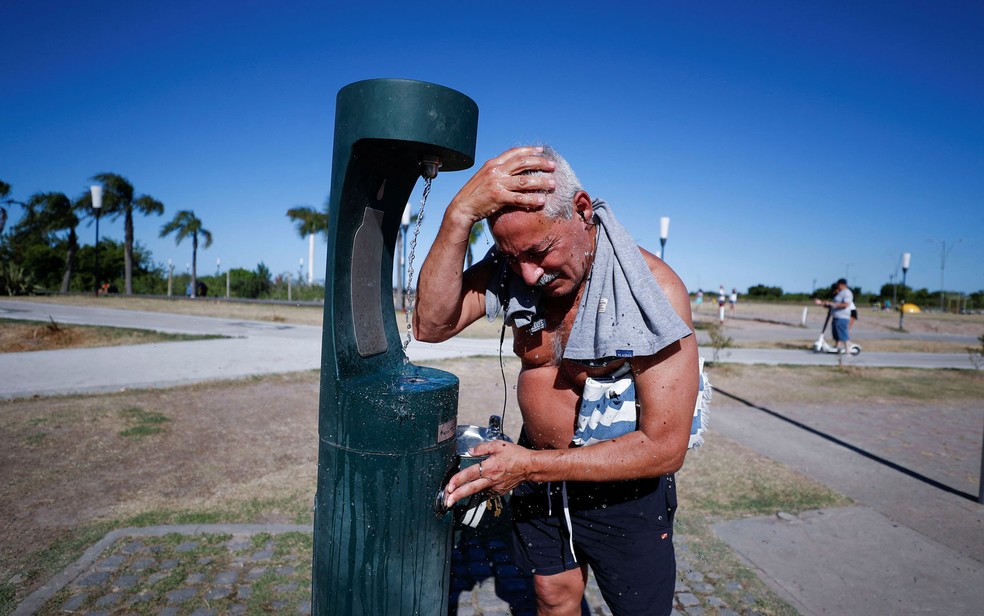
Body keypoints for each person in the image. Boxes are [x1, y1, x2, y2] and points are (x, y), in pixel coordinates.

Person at [414, 145, 699, 616]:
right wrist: (459, 213)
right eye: (512, 256)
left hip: (622, 491)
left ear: (582, 210)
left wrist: (525, 468)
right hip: (537, 471)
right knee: (552, 596)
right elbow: (431, 323)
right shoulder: (516, 270)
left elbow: (666, 446)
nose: (529, 273)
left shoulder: (653, 289)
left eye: (540, 252)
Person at [815, 278, 853, 353]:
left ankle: (848, 350)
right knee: (837, 334)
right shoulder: (840, 293)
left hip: (842, 316)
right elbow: (834, 304)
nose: (837, 286)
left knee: (843, 333)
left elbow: (846, 304)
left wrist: (832, 304)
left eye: (838, 285)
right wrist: (824, 304)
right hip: (836, 316)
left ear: (842, 284)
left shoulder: (847, 293)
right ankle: (838, 349)